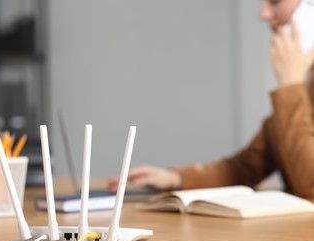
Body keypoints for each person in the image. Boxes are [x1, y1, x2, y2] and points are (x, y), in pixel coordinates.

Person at [109, 0, 314, 197]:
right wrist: (176, 178)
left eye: (275, 1)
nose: (263, 14)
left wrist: (290, 87)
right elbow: (248, 166)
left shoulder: (294, 89)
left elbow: (310, 185)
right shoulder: (306, 88)